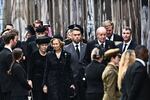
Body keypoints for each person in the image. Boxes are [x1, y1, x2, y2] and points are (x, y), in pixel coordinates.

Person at [42, 36, 75, 100]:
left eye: (56, 44)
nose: (55, 46)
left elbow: (69, 69)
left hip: (64, 82)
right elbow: (46, 70)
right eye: (53, 44)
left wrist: (72, 83)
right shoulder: (49, 55)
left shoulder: (67, 55)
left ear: (60, 44)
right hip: (52, 82)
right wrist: (44, 84)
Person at [64, 27, 87, 100]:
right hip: (72, 79)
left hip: (84, 79)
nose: (77, 37)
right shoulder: (66, 48)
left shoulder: (86, 47)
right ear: (71, 36)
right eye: (75, 35)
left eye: (79, 35)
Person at [0, 30, 18, 100]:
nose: (16, 41)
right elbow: (12, 71)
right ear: (11, 40)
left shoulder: (2, 52)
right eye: (16, 39)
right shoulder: (8, 55)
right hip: (7, 87)